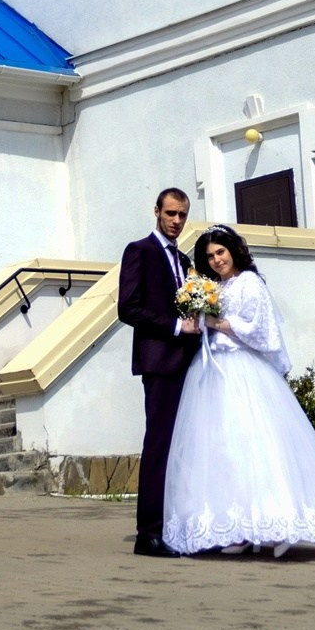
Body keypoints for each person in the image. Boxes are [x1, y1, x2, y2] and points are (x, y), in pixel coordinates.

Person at [163, 226, 315, 558]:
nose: (216, 259)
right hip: (213, 374)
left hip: (244, 371)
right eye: (210, 256)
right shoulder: (211, 287)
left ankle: (276, 525)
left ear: (233, 251)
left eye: (220, 252)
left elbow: (263, 333)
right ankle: (241, 529)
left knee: (256, 445)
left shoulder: (251, 284)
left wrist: (219, 323)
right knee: (225, 451)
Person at [116, 188, 201, 558]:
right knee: (160, 445)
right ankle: (148, 534)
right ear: (156, 211)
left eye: (182, 215)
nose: (176, 221)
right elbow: (128, 308)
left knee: (187, 446)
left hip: (189, 364)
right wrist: (175, 327)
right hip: (160, 363)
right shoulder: (140, 251)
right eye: (170, 213)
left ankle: (178, 526)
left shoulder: (185, 260)